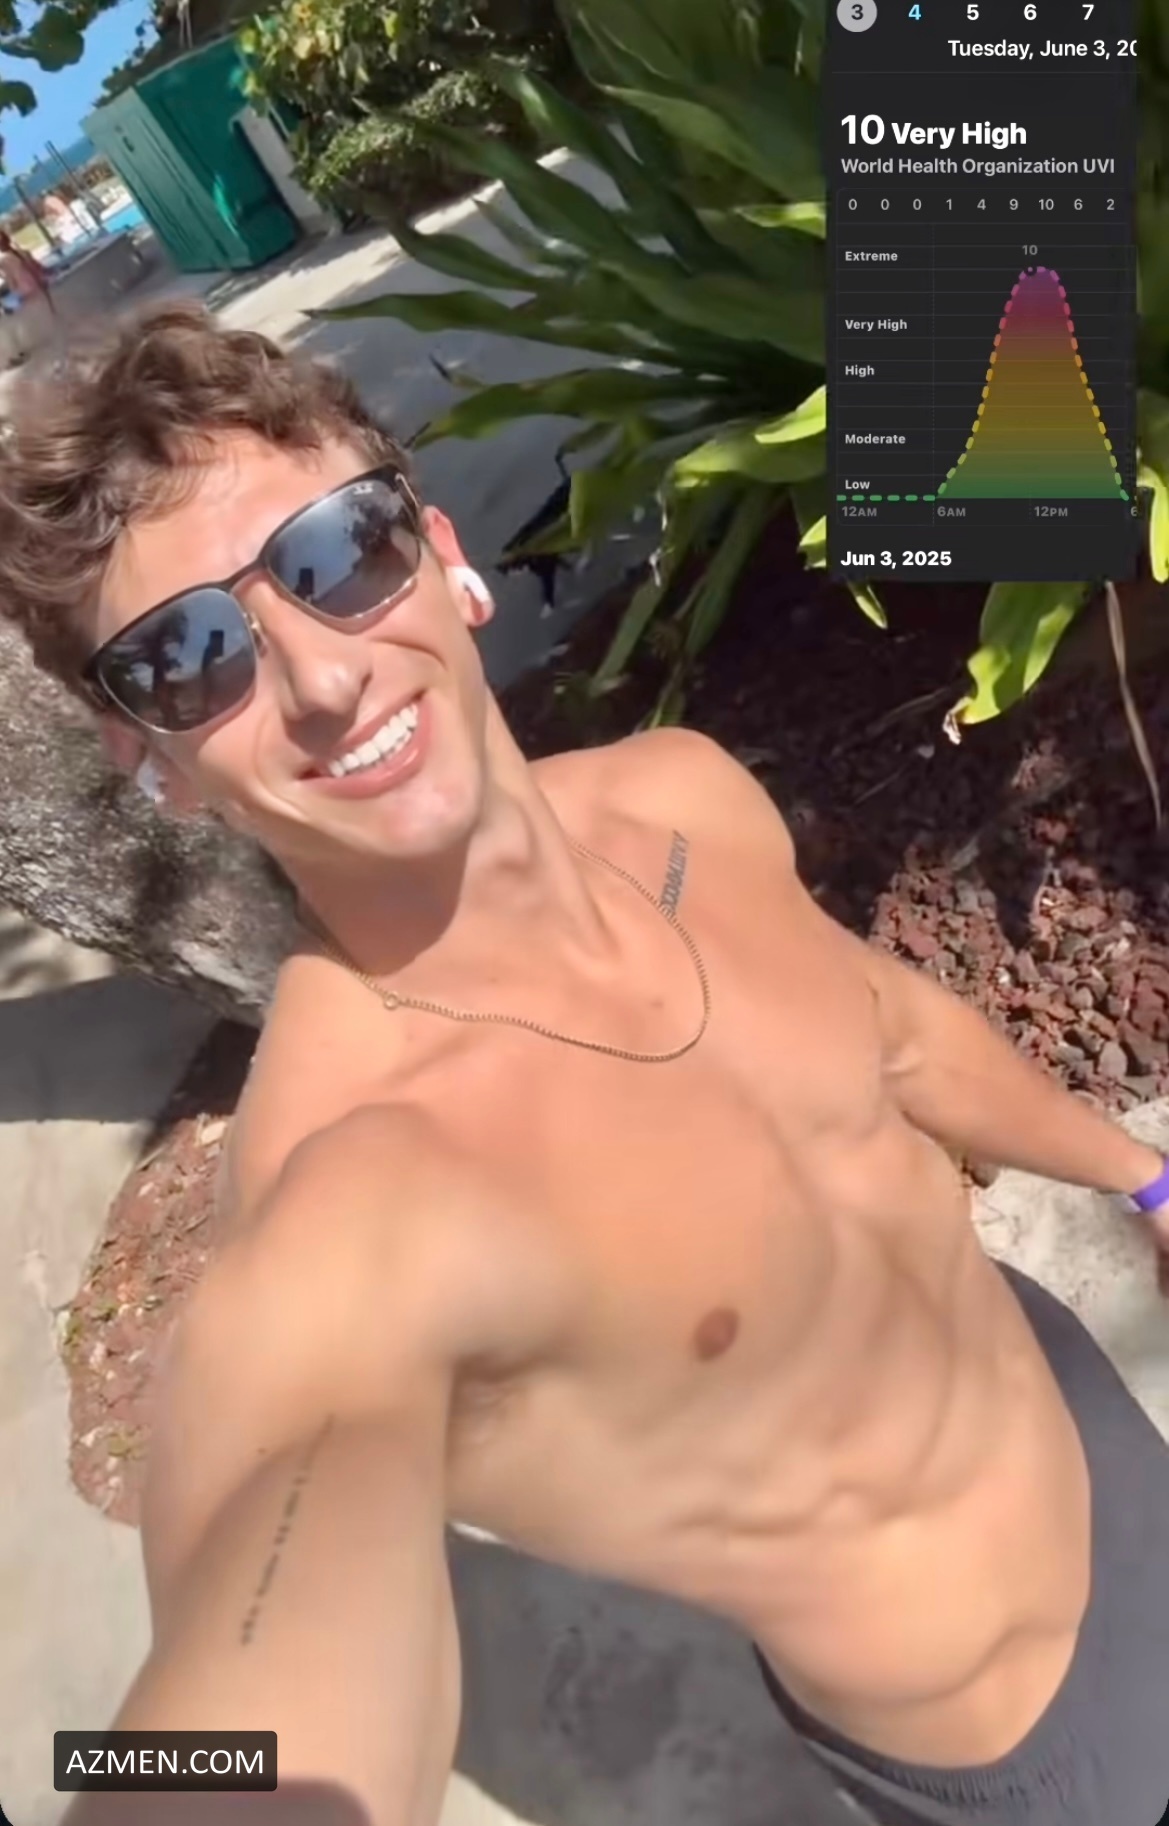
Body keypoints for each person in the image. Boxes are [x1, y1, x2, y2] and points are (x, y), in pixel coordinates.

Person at [1, 301, 1167, 1826]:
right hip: (1043, 1735)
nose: (323, 679)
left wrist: (1142, 1178)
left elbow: (884, 1028)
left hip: (1084, 1404)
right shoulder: (350, 1191)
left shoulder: (678, 794)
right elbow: (253, 1650)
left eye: (336, 554)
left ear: (439, 551)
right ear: (149, 759)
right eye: (189, 658)